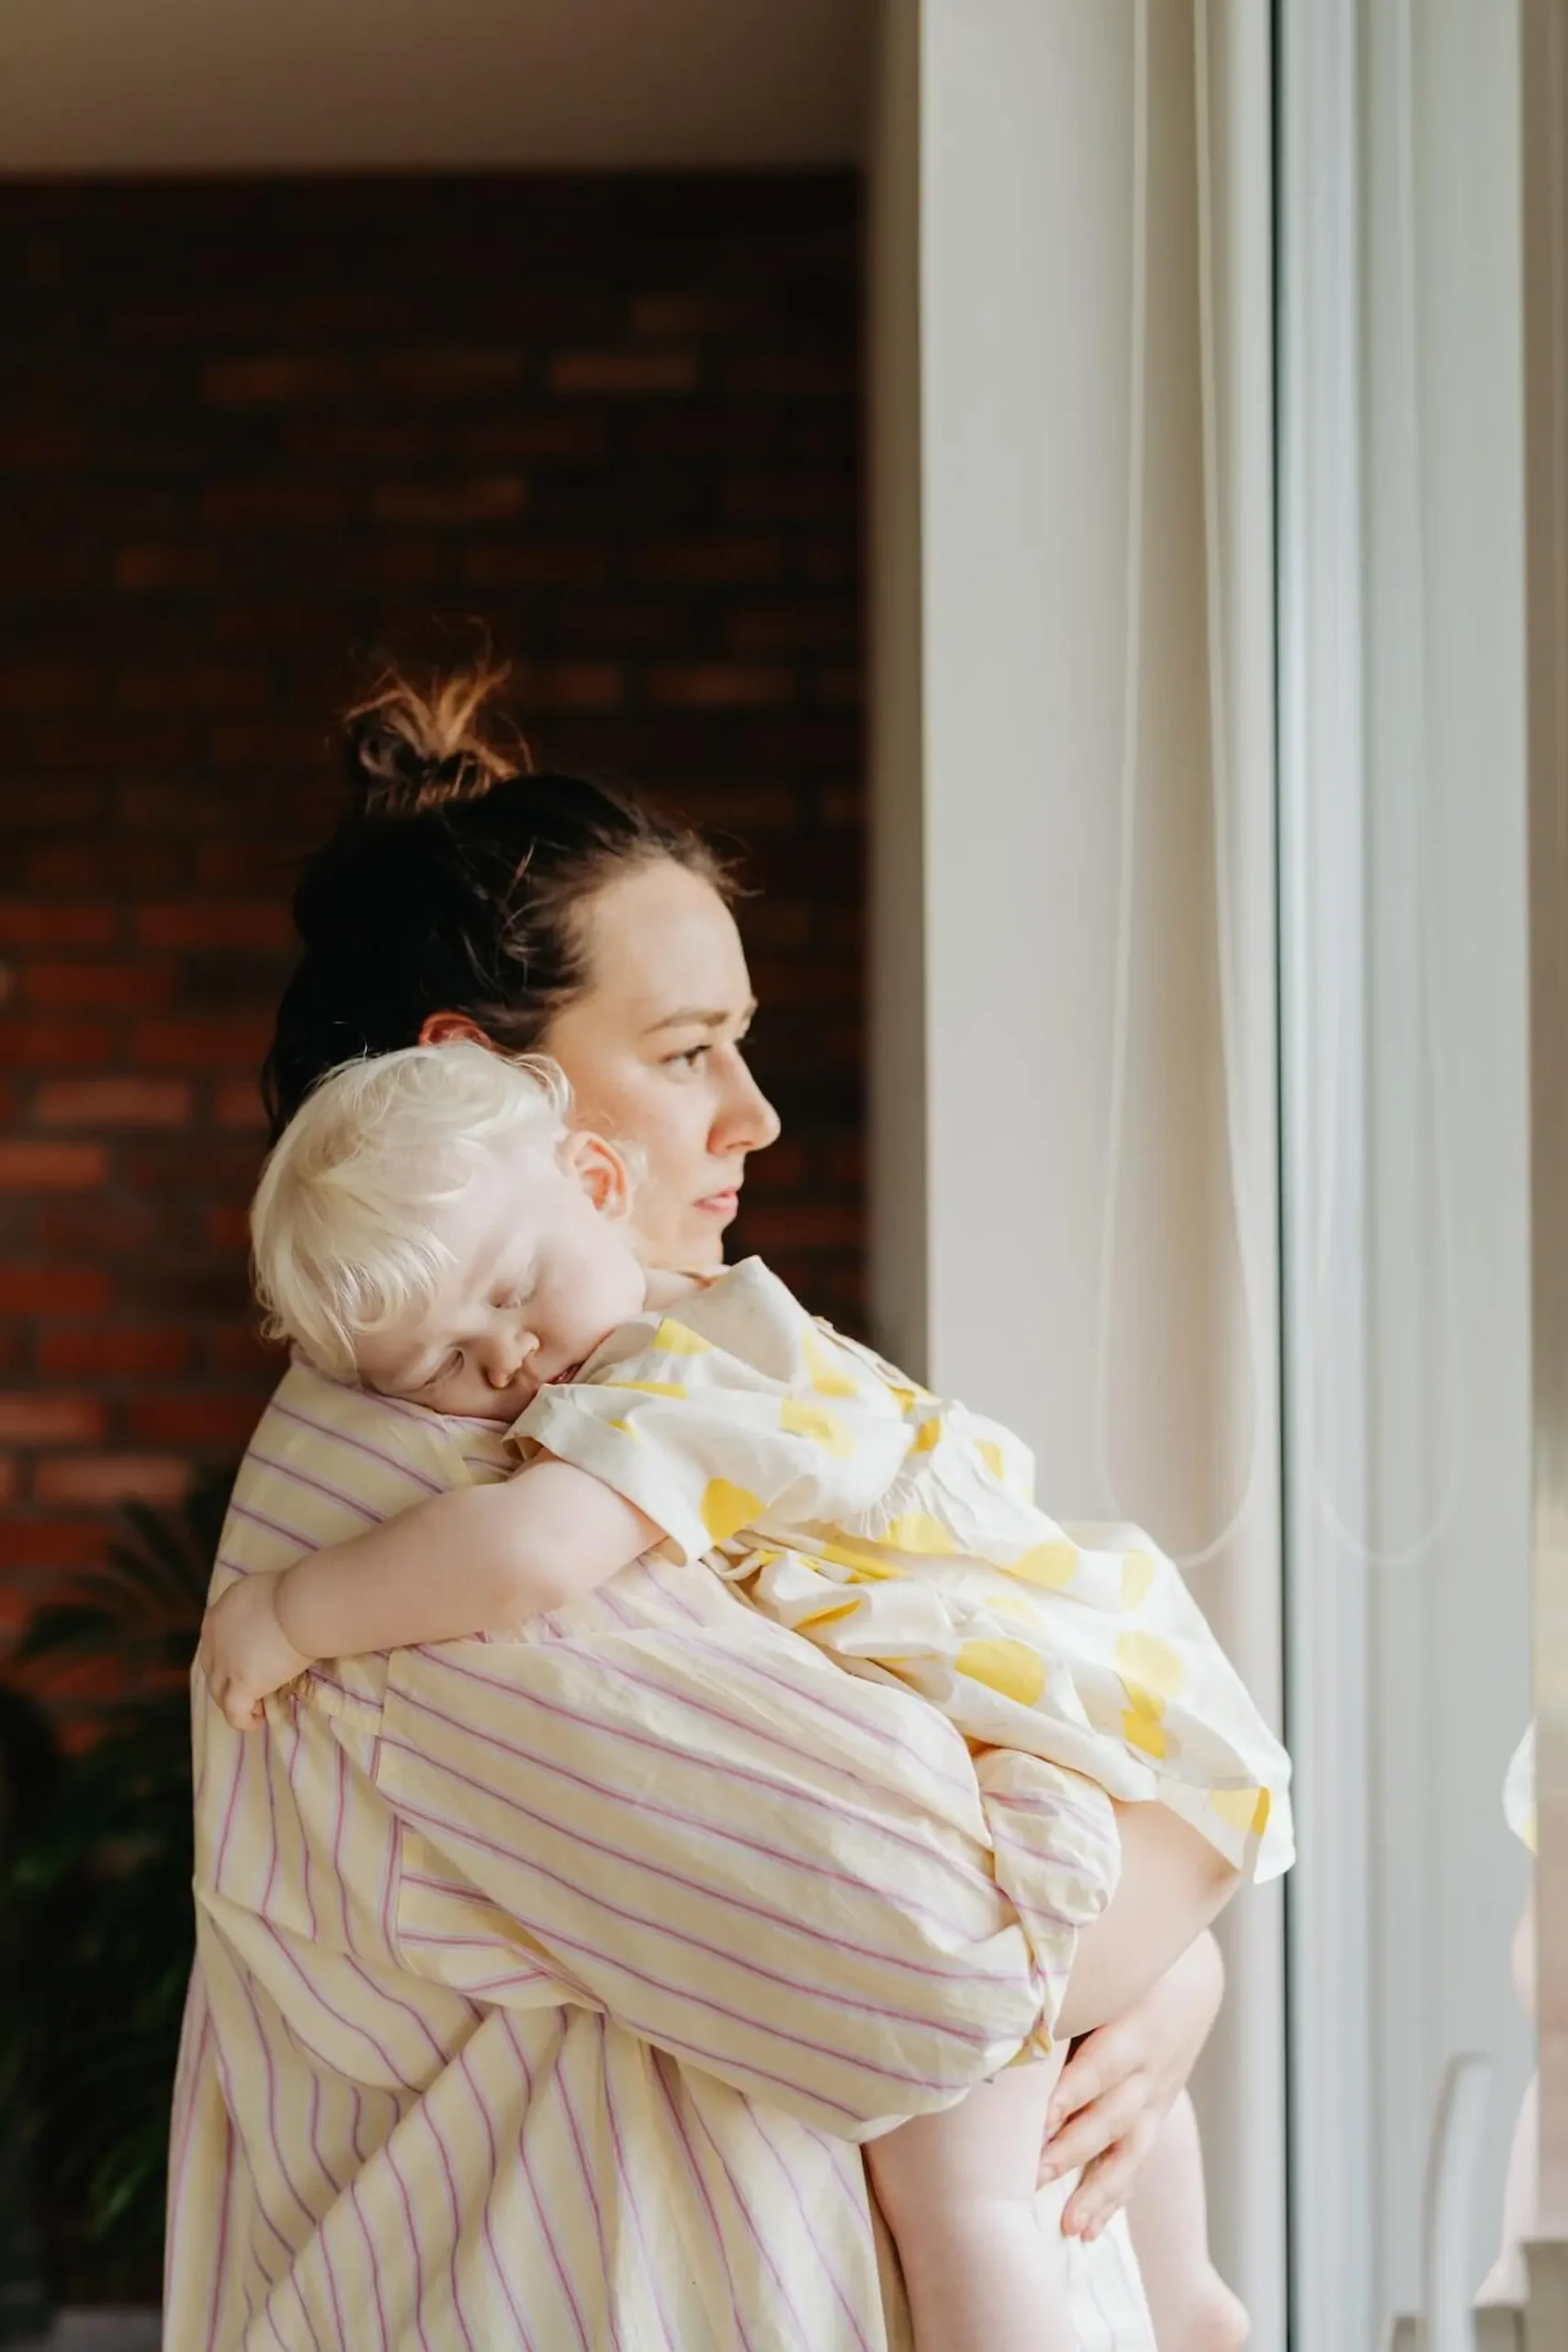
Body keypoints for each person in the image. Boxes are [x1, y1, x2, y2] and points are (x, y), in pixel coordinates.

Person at [165, 662, 1235, 2351]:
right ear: (494, 1089)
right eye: (687, 1052)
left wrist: (1167, 1947)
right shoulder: (438, 1520)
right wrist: (1173, 1936)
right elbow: (944, 1961)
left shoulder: (606, 1416)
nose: (756, 1114)